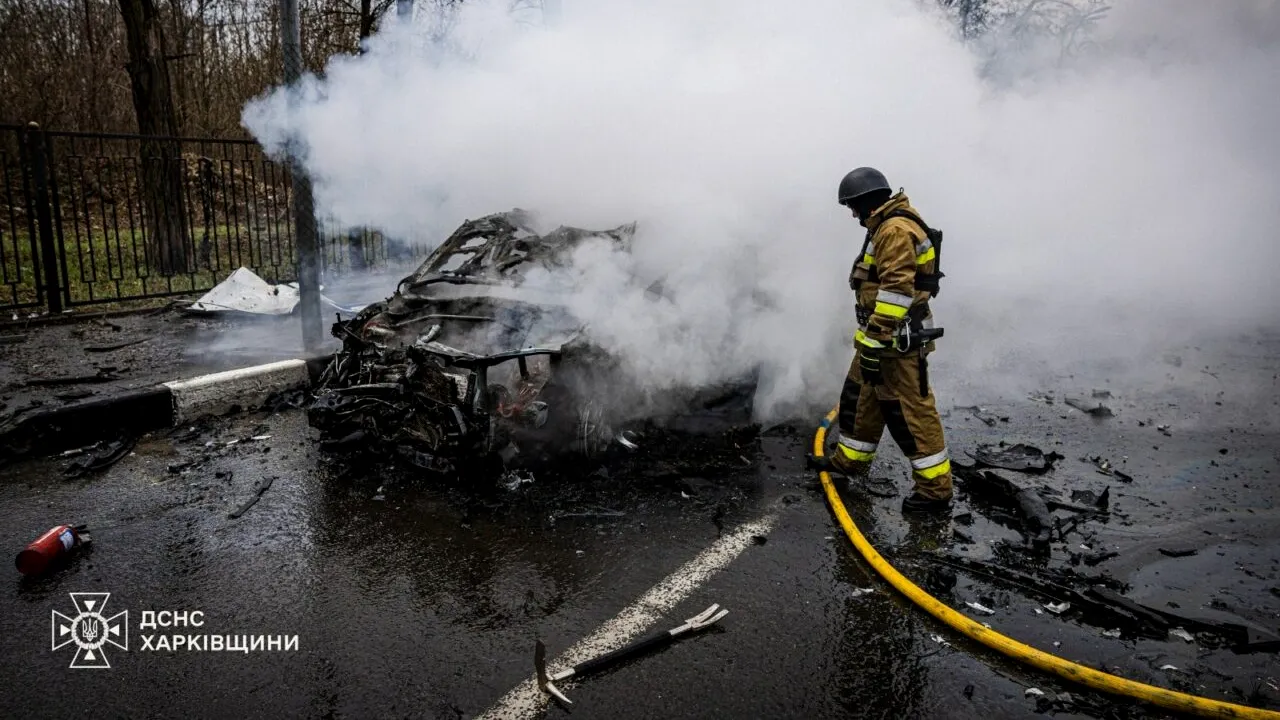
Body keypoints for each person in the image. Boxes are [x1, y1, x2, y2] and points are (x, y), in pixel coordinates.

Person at [825, 166, 953, 513]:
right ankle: (848, 463)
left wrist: (876, 337)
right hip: (879, 338)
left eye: (853, 206)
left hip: (896, 343)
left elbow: (897, 291)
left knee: (911, 413)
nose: (853, 215)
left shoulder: (894, 230)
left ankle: (935, 492)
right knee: (860, 398)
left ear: (867, 201)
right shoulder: (885, 224)